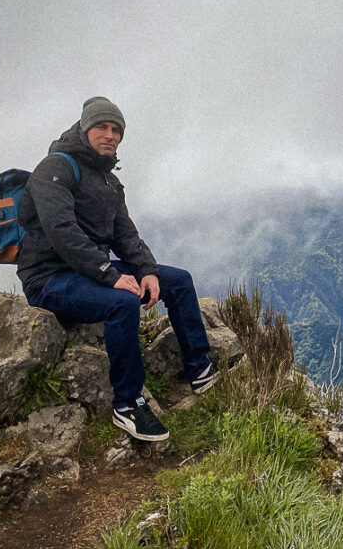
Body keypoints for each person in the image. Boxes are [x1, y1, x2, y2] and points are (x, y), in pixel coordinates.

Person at [17, 96, 215, 441]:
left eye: (116, 130)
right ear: (84, 128)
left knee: (178, 281)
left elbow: (124, 232)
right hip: (50, 279)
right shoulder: (55, 169)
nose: (110, 135)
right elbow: (62, 232)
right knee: (122, 302)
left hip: (90, 272)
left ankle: (200, 368)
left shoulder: (108, 179)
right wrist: (111, 275)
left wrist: (147, 270)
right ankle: (128, 404)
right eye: (102, 127)